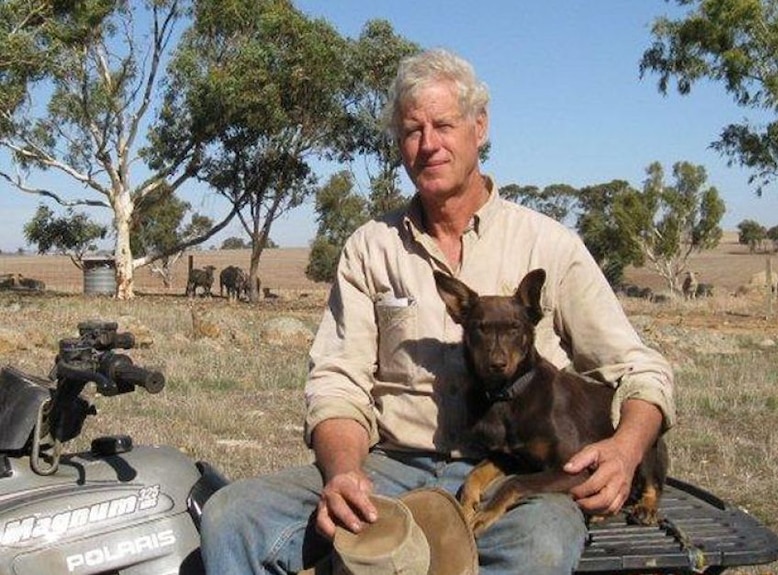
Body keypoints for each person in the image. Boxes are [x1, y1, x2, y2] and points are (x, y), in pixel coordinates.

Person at [200, 47, 675, 575]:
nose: (428, 145)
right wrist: (343, 474)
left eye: (444, 125)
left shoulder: (549, 245)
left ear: (480, 127)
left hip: (508, 472)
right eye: (411, 130)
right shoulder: (370, 247)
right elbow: (338, 382)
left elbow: (638, 369)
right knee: (231, 515)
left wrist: (627, 448)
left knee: (540, 543)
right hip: (389, 466)